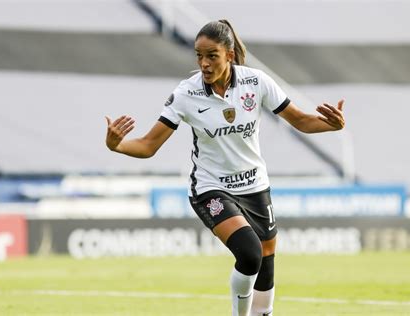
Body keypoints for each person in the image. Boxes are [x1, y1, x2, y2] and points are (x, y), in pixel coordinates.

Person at [105, 19, 345, 316]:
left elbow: (302, 121)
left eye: (211, 56)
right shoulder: (186, 94)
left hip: (255, 185)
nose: (203, 64)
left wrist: (331, 126)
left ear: (229, 55)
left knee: (266, 259)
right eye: (198, 55)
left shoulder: (256, 82)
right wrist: (116, 145)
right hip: (211, 187)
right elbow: (148, 146)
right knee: (250, 252)